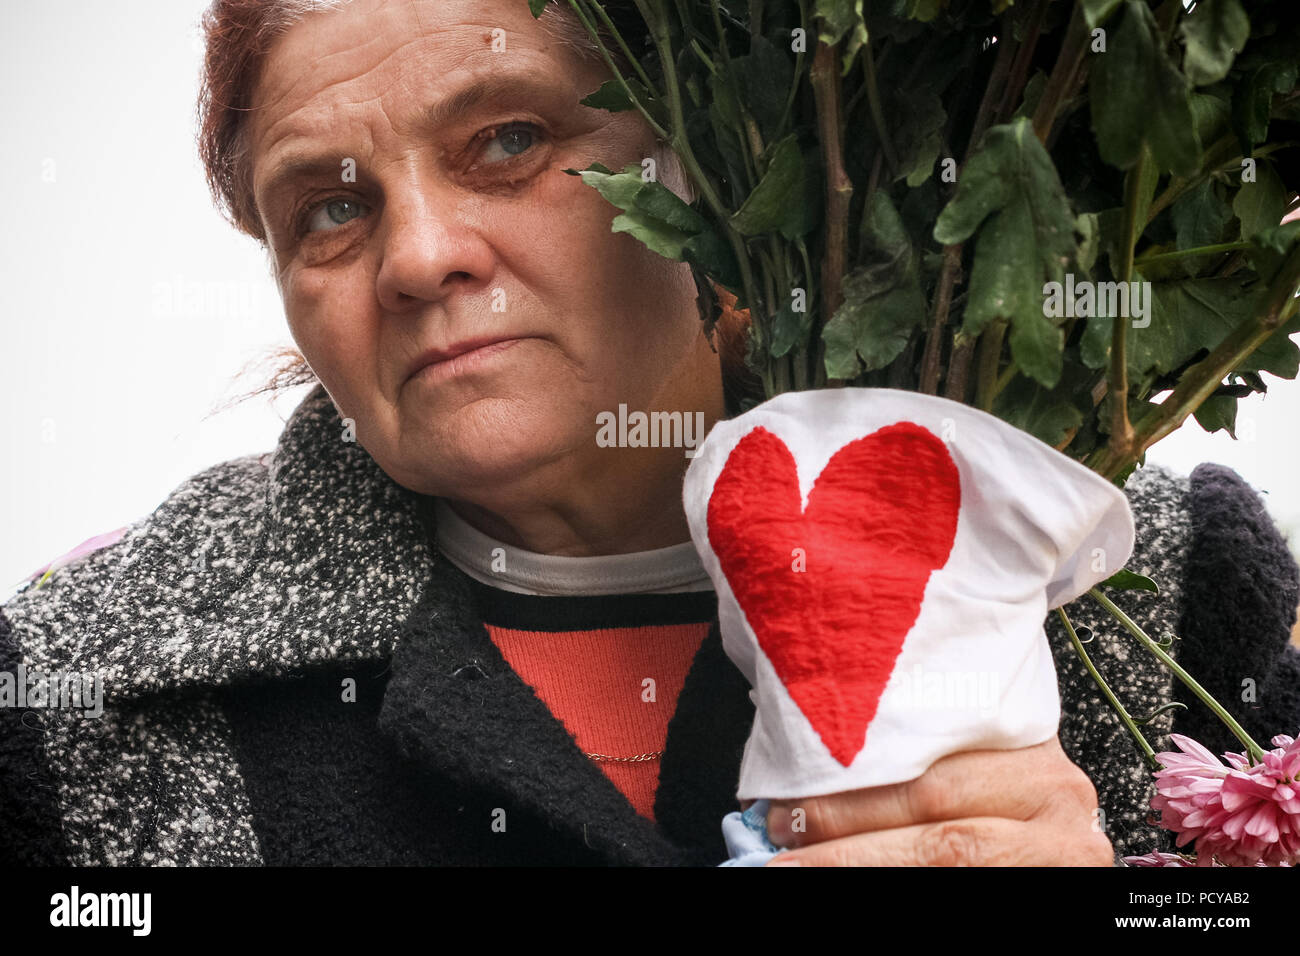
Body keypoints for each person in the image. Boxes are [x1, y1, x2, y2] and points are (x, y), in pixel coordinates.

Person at [2, 0, 1297, 867]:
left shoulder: (1149, 588)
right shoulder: (82, 702)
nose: (420, 257)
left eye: (508, 140)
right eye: (329, 212)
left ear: (724, 161)